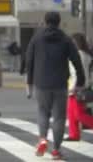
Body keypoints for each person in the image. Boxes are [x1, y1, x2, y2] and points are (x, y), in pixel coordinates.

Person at [26, 12, 85, 160]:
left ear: (45, 22)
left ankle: (43, 139)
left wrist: (29, 81)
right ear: (59, 22)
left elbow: (29, 60)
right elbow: (76, 59)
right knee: (59, 117)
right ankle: (56, 150)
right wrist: (81, 79)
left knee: (43, 112)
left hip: (41, 83)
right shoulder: (65, 39)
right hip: (60, 84)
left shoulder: (37, 38)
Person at [66, 33, 93, 142]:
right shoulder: (85, 55)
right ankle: (74, 135)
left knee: (78, 114)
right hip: (77, 86)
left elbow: (79, 73)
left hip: (78, 87)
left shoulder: (80, 55)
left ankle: (74, 134)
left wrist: (75, 87)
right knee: (71, 112)